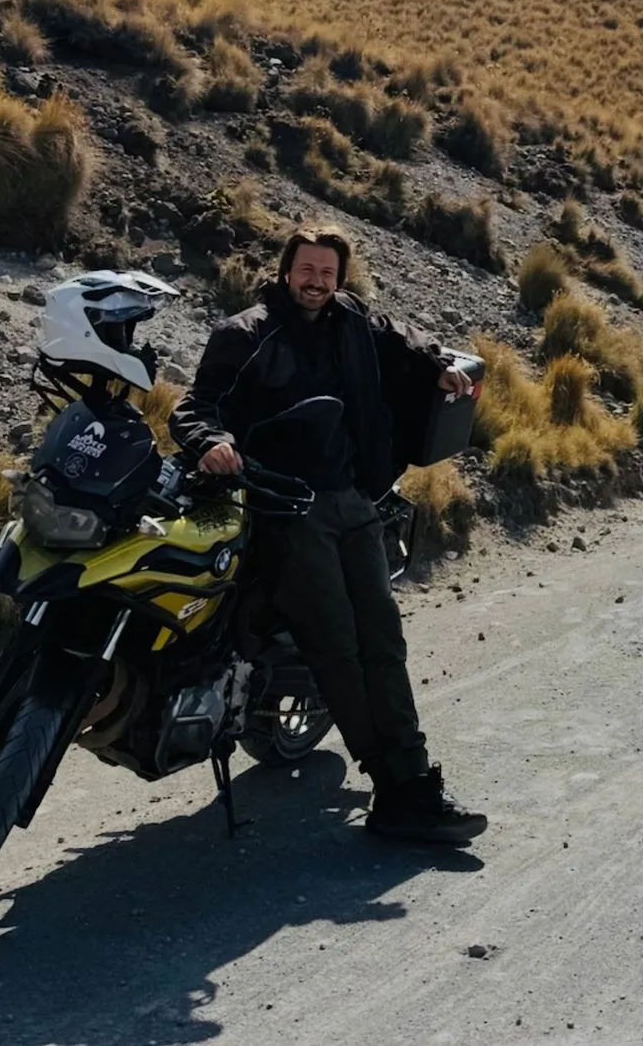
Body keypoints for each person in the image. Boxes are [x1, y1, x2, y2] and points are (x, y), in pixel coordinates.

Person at [170, 224, 487, 845]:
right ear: (286, 270)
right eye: (307, 270)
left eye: (328, 273)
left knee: (384, 642)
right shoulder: (246, 334)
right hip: (285, 510)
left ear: (340, 279)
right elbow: (195, 406)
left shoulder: (352, 319)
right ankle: (400, 790)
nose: (317, 282)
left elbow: (403, 340)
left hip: (351, 500)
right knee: (339, 648)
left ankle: (410, 776)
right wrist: (211, 442)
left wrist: (441, 365)